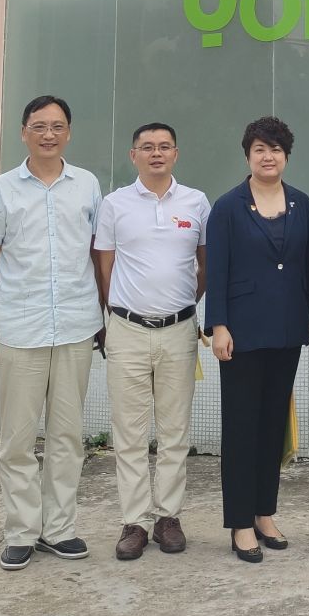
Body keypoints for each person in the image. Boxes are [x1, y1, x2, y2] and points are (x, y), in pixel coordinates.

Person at [0, 94, 102, 571]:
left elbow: (98, 253)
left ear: (68, 132)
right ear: (24, 132)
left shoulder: (87, 185)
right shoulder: (2, 189)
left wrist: (104, 314)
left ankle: (59, 529)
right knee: (18, 439)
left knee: (68, 436)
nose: (48, 134)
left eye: (57, 126)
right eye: (39, 126)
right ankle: (21, 531)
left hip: (75, 325)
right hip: (20, 327)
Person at [93, 122, 210, 561]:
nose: (156, 153)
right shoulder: (114, 204)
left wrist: (184, 305)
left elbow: (205, 265)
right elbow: (104, 267)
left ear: (175, 154)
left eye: (164, 146)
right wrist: (118, 312)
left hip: (180, 330)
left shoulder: (196, 202)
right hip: (127, 329)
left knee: (175, 430)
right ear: (133, 155)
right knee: (129, 432)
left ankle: (168, 517)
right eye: (147, 147)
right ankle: (135, 521)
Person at [206, 117, 309, 563]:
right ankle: (239, 522)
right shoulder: (228, 206)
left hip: (286, 330)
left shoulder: (302, 203)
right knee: (241, 428)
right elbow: (217, 269)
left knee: (272, 426)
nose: (268, 157)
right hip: (241, 333)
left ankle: (264, 513)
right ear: (248, 155)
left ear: (286, 155)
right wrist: (218, 325)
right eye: (259, 149)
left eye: (276, 149)